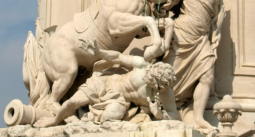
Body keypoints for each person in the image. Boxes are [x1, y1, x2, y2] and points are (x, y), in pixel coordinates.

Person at [145, 0, 223, 134]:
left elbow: (214, 23)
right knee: (171, 73)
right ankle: (158, 102)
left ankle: (198, 119)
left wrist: (213, 41)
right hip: (182, 35)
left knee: (207, 77)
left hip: (202, 39)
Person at [34, 50, 178, 127]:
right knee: (72, 103)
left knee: (113, 115)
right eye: (150, 77)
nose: (148, 80)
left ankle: (79, 122)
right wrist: (98, 52)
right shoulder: (142, 65)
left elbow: (175, 115)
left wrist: (159, 115)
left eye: (153, 83)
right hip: (105, 83)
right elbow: (117, 57)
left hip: (119, 100)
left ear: (160, 87)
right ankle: (54, 120)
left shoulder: (165, 94)